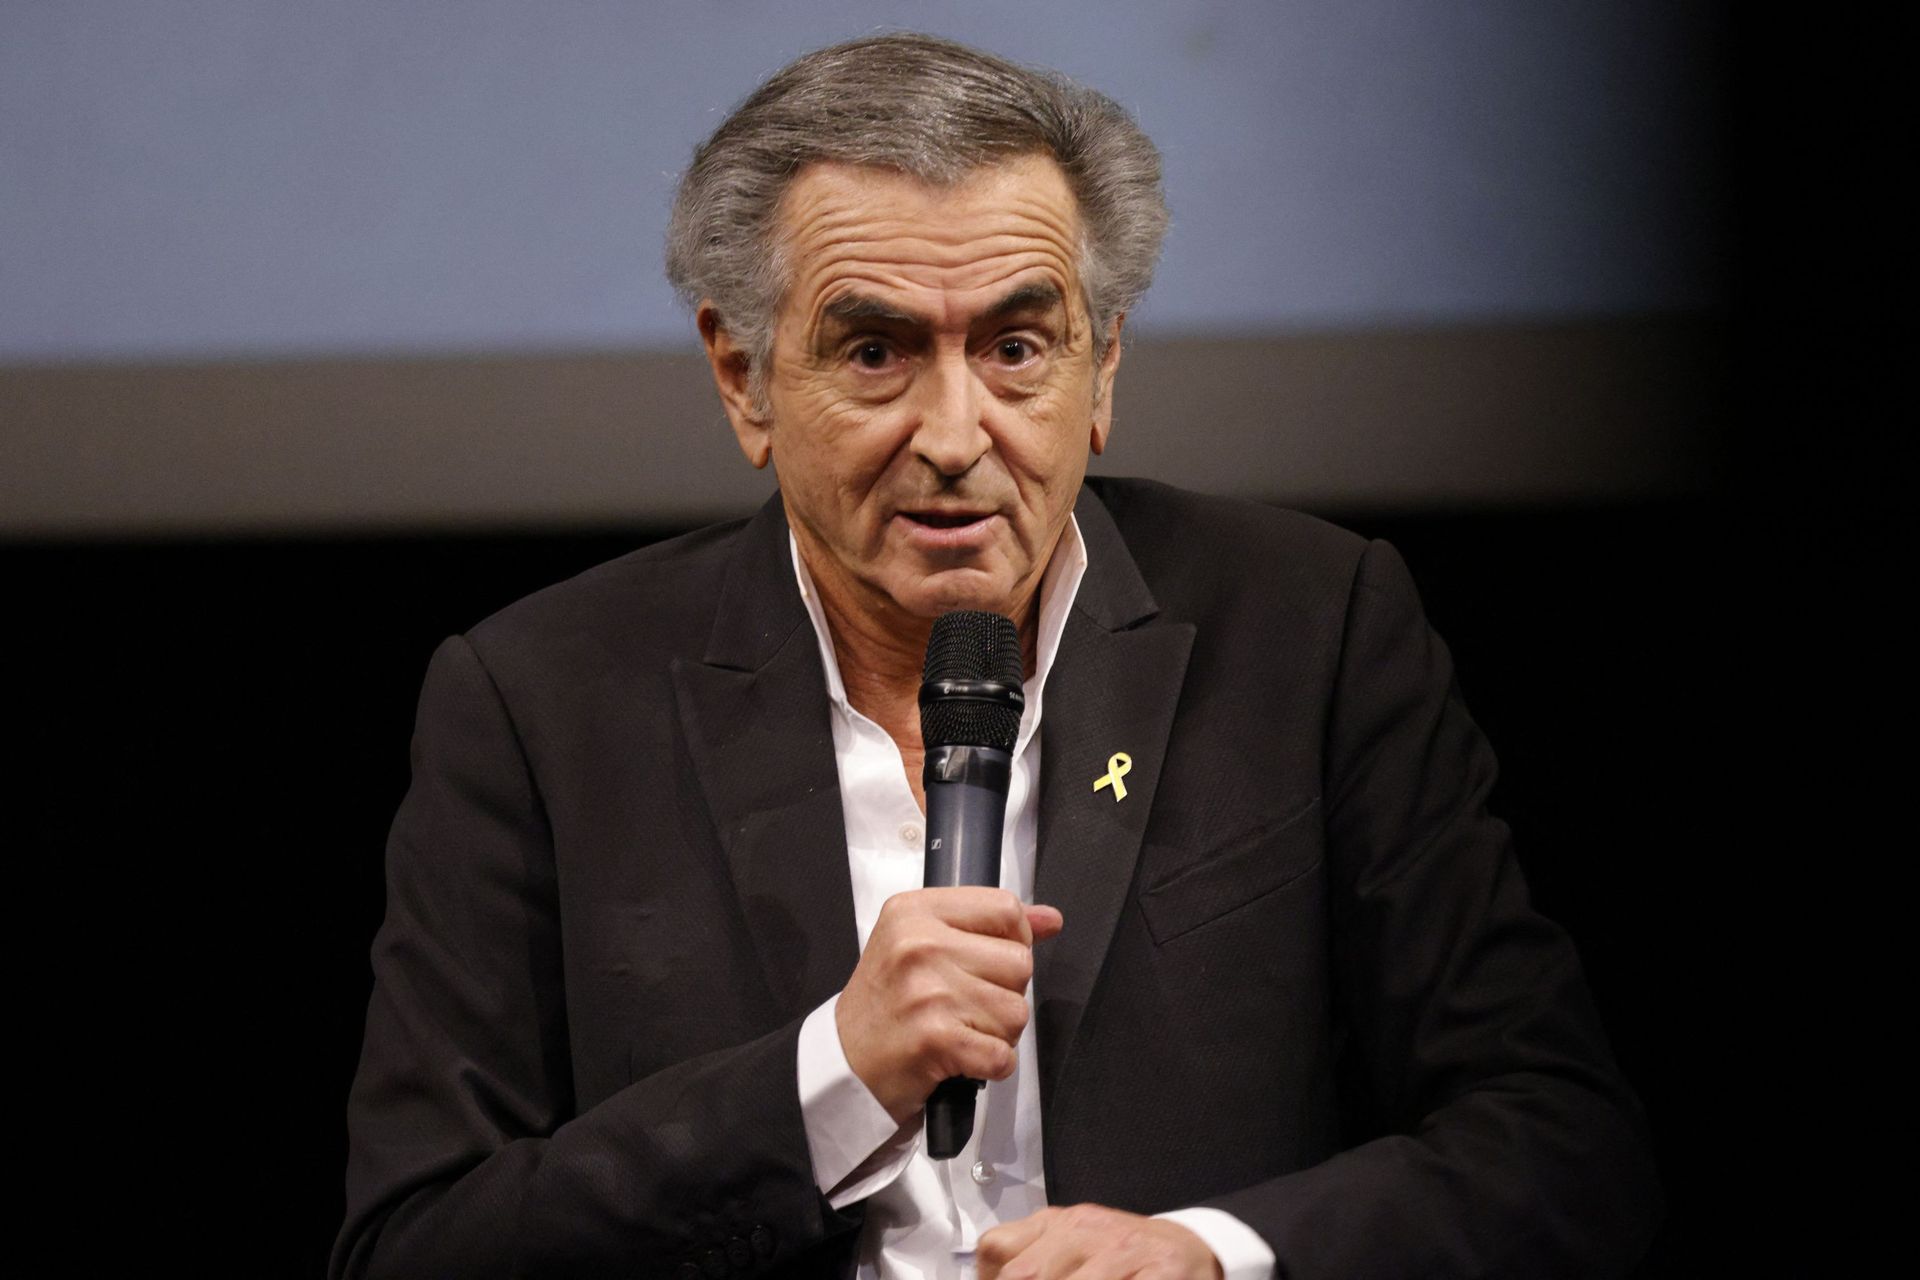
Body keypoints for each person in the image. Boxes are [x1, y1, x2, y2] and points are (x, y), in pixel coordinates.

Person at [333, 32, 1659, 1280]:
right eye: (875, 352)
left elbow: (1558, 1143)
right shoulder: (541, 705)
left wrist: (1208, 1255)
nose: (958, 435)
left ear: (1104, 369)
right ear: (743, 378)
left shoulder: (1312, 631)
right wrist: (831, 1079)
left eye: (1017, 349)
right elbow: (417, 1242)